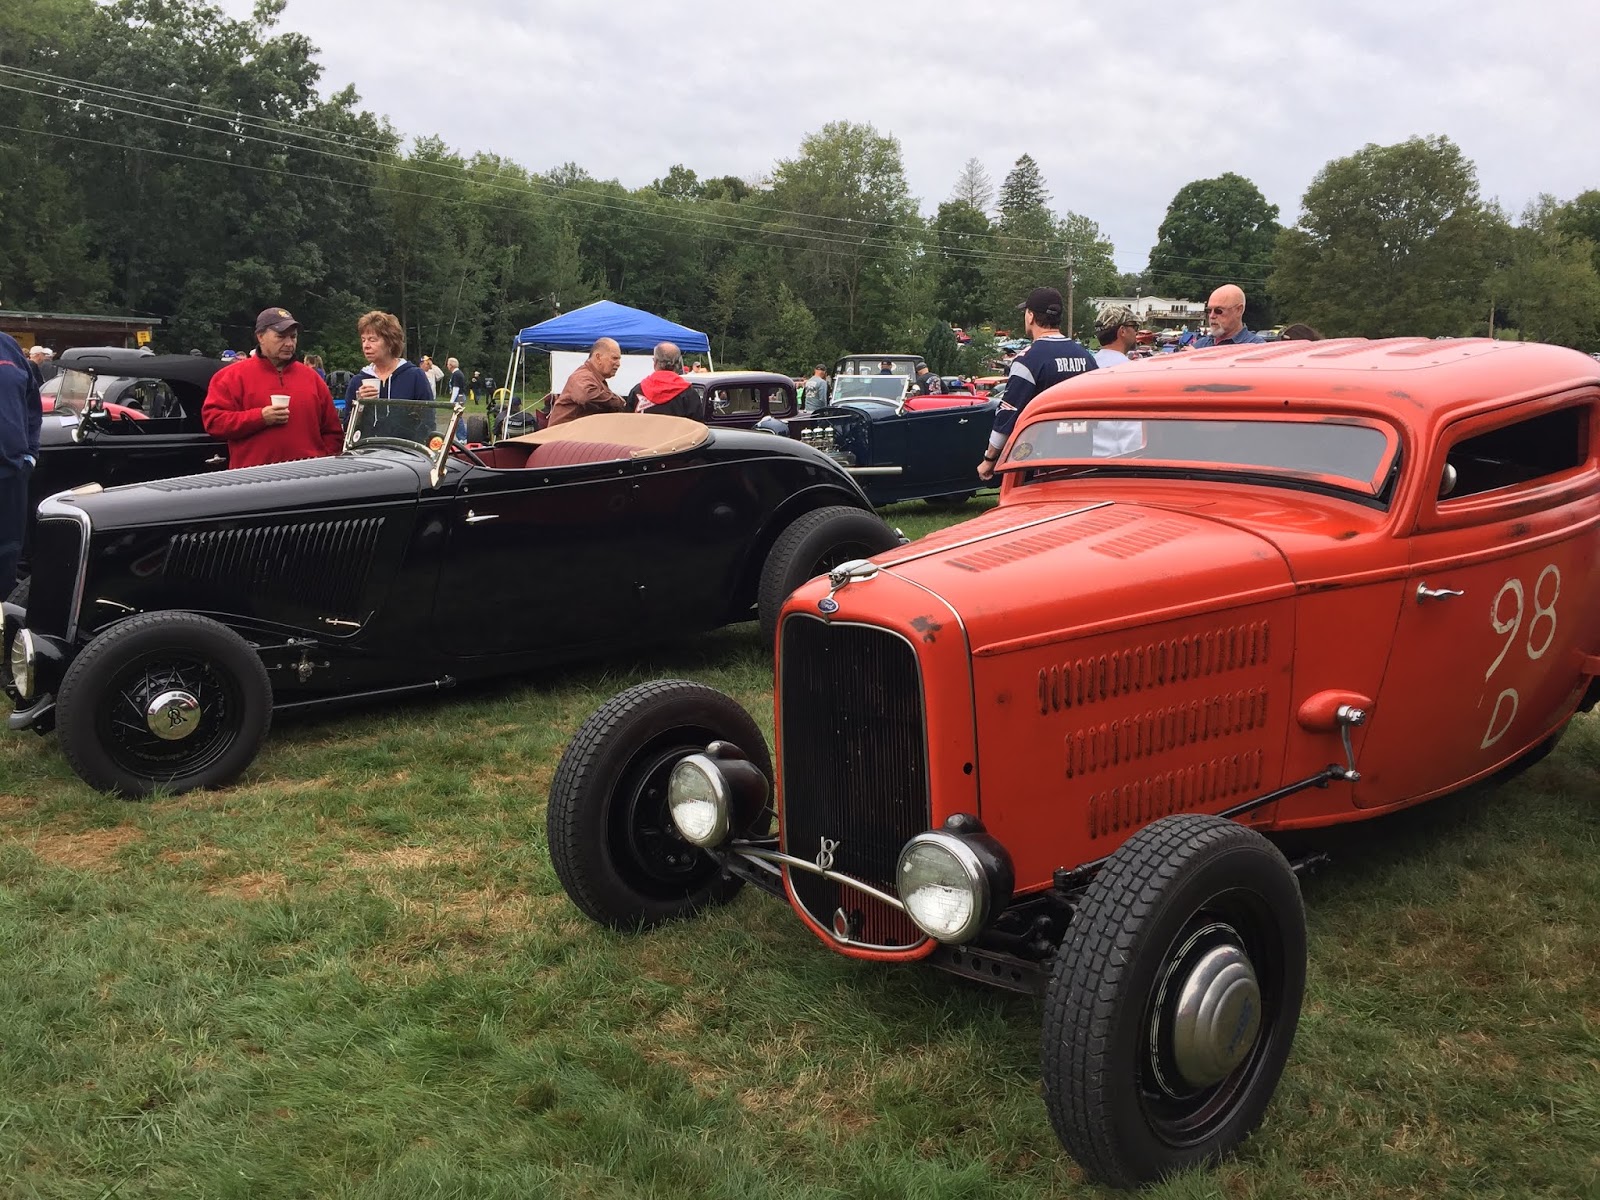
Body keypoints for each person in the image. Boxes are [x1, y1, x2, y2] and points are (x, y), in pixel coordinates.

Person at [976, 287, 1096, 482]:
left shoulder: (1028, 360)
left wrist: (989, 459)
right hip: (1083, 458)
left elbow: (1008, 413)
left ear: (1030, 316)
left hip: (1041, 462)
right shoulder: (1086, 357)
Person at [201, 306, 342, 469]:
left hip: (307, 481)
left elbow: (333, 432)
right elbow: (214, 423)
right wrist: (260, 417)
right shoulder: (231, 377)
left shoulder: (312, 378)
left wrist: (321, 463)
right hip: (254, 481)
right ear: (260, 336)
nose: (289, 343)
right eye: (281, 336)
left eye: (293, 337)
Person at [345, 310, 437, 443]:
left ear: (390, 342)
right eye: (363, 340)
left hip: (405, 456)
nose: (366, 345)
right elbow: (348, 429)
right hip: (366, 454)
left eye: (372, 340)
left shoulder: (415, 377)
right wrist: (361, 405)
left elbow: (428, 424)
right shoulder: (357, 381)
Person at [0, 331, 43, 597]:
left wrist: (30, 453)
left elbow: (31, 401)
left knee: (7, 554)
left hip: (12, 472)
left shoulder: (8, 346)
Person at [548, 337, 627, 427]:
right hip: (562, 437)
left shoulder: (594, 378)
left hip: (574, 436)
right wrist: (619, 402)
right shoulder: (582, 376)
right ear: (598, 357)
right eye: (614, 358)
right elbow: (585, 395)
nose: (618, 363)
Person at [626, 341, 704, 419]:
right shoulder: (689, 394)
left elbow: (626, 423)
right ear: (678, 363)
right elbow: (698, 427)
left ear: (655, 362)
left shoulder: (637, 391)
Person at [1193, 285, 1266, 347]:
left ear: (1238, 310)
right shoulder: (1200, 345)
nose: (1212, 316)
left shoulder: (1256, 347)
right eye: (1208, 311)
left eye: (1218, 311)